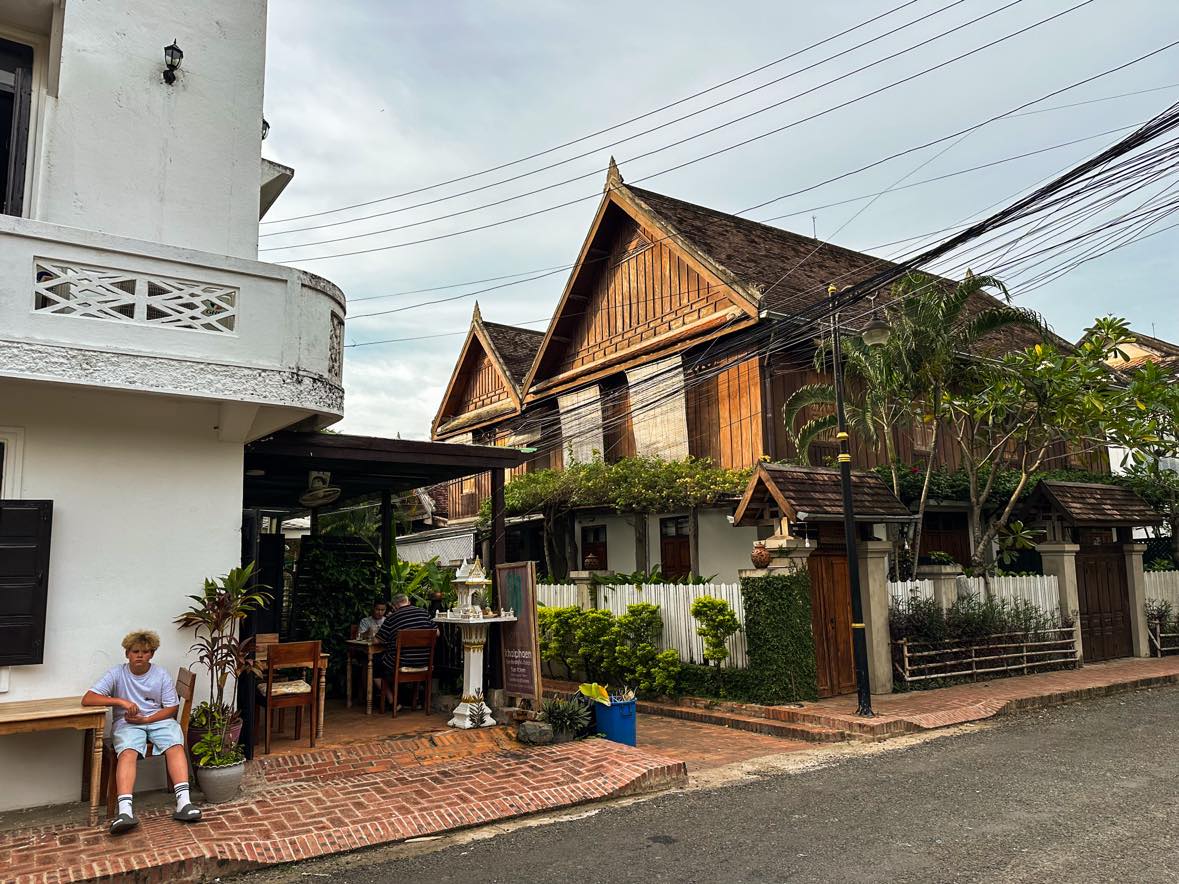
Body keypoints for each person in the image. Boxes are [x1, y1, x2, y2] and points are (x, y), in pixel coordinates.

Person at [82, 630, 202, 835]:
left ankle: (184, 803)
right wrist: (120, 701)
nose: (140, 655)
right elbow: (88, 698)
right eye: (135, 651)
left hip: (158, 720)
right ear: (127, 653)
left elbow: (171, 708)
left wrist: (147, 719)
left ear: (152, 654)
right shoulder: (117, 674)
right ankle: (125, 812)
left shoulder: (160, 674)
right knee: (127, 751)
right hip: (127, 723)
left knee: (174, 744)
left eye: (145, 652)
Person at [374, 594, 434, 709]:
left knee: (376, 667)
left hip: (401, 663)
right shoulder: (424, 613)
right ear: (408, 602)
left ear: (395, 606)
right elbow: (436, 633)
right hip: (424, 663)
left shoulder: (392, 618)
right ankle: (414, 702)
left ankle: (393, 702)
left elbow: (377, 640)